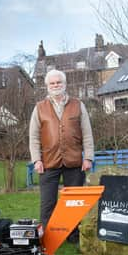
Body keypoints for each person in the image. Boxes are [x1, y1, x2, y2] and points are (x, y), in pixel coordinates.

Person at [29, 69, 95, 244]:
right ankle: (48, 238)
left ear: (65, 84)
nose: (56, 85)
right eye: (52, 83)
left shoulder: (78, 104)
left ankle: (73, 235)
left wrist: (88, 157)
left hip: (74, 161)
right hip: (48, 162)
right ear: (47, 86)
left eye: (59, 82)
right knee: (47, 203)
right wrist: (37, 160)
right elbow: (34, 137)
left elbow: (87, 133)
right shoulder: (39, 108)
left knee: (74, 203)